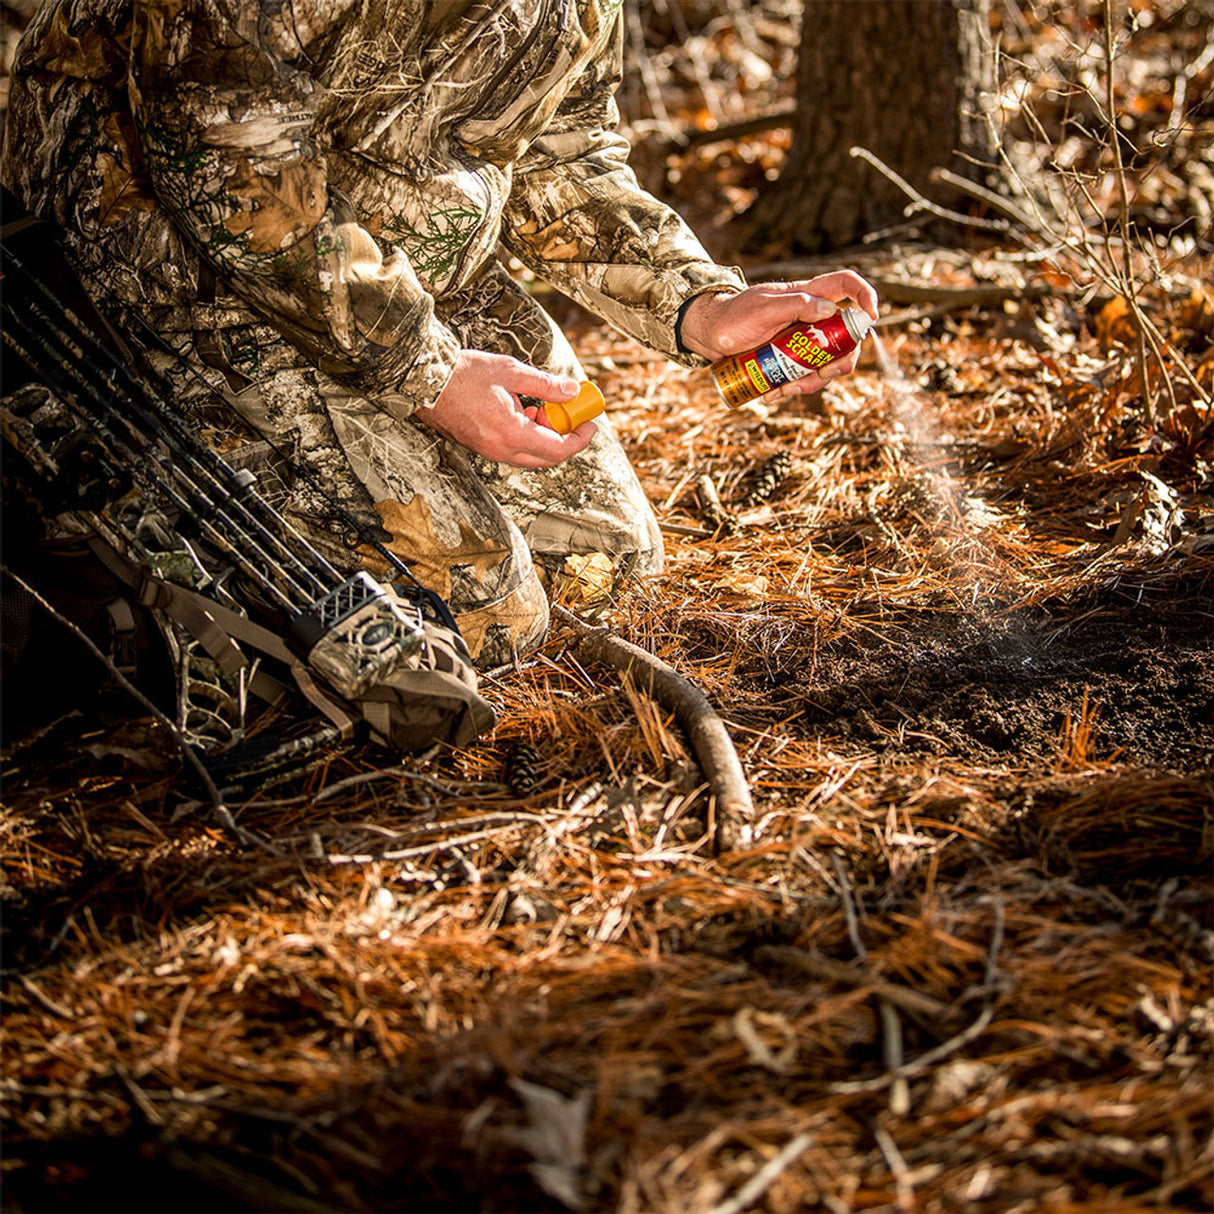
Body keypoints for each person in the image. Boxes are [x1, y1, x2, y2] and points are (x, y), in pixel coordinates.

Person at [2, 0, 878, 672]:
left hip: (399, 276)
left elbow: (565, 151)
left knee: (604, 562)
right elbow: (234, 169)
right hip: (175, 267)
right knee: (479, 620)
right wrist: (427, 374)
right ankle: (69, 503)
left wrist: (701, 307)